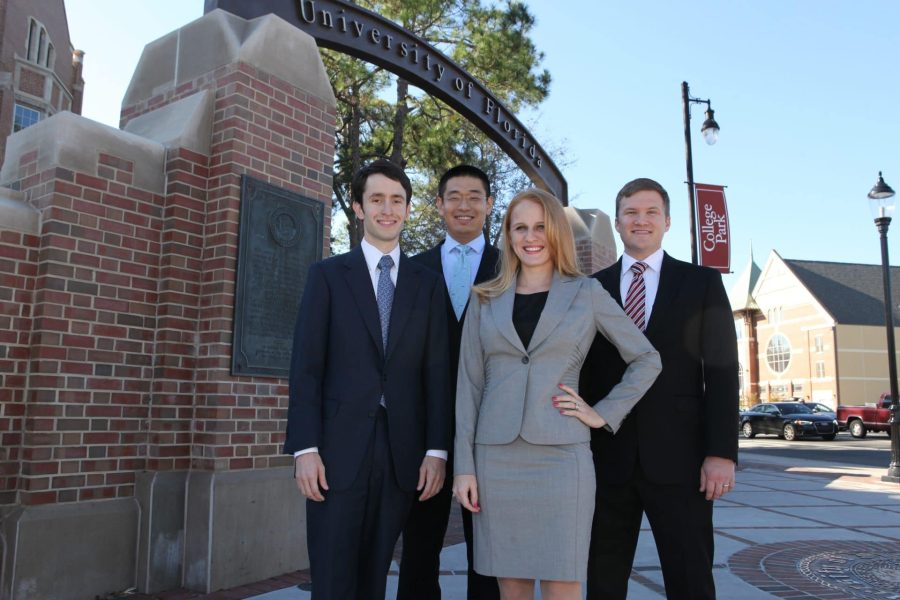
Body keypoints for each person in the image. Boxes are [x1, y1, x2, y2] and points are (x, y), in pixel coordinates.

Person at [452, 188, 661, 600]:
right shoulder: (485, 299)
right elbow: (469, 385)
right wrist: (464, 468)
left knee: (562, 583)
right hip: (496, 459)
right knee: (510, 585)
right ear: (508, 236)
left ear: (557, 233)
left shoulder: (586, 293)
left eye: (541, 227)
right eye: (520, 228)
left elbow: (646, 358)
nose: (531, 237)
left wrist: (602, 413)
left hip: (563, 460)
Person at [284, 159, 451, 600]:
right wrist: (305, 448)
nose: (387, 209)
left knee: (376, 576)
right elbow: (306, 368)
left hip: (403, 455)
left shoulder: (428, 285)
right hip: (336, 453)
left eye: (397, 200)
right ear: (358, 207)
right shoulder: (327, 277)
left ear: (409, 209)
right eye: (377, 199)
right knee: (334, 575)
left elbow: (437, 372)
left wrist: (436, 450)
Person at [581, 178, 739, 599]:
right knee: (602, 579)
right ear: (617, 223)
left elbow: (722, 373)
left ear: (667, 221)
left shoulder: (701, 283)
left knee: (690, 579)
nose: (641, 220)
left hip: (682, 461)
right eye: (631, 212)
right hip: (607, 459)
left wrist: (721, 453)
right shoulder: (590, 288)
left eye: (651, 212)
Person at [399, 165, 501, 600]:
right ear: (438, 205)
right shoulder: (412, 270)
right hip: (428, 430)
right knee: (420, 544)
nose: (464, 205)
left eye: (474, 196)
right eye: (454, 196)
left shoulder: (512, 265)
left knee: (491, 548)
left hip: (494, 425)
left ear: (489, 205)